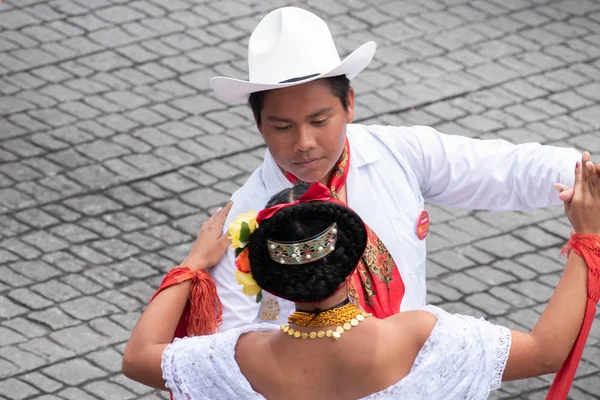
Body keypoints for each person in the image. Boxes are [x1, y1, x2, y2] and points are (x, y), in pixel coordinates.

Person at [122, 154, 600, 399]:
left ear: (267, 282)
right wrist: (588, 238)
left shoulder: (237, 357)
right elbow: (545, 351)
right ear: (357, 262)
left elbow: (139, 358)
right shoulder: (421, 338)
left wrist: (194, 265)